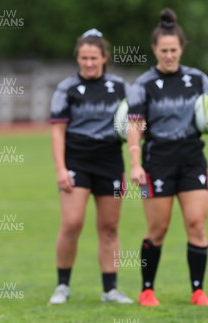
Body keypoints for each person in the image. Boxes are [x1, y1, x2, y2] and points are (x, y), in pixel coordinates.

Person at [127, 9, 208, 307]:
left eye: (174, 50)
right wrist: (134, 163)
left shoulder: (197, 79)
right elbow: (134, 126)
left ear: (181, 49)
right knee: (157, 230)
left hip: (192, 157)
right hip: (156, 160)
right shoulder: (143, 84)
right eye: (164, 51)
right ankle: (147, 290)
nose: (169, 55)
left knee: (197, 224)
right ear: (155, 50)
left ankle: (198, 291)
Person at [49, 28, 133, 304]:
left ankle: (110, 289)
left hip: (110, 160)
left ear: (104, 57)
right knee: (72, 223)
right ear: (77, 58)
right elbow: (57, 132)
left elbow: (136, 121)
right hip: (77, 160)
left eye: (93, 58)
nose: (88, 63)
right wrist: (61, 168)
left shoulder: (120, 87)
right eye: (83, 58)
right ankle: (62, 285)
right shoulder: (67, 89)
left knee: (109, 227)